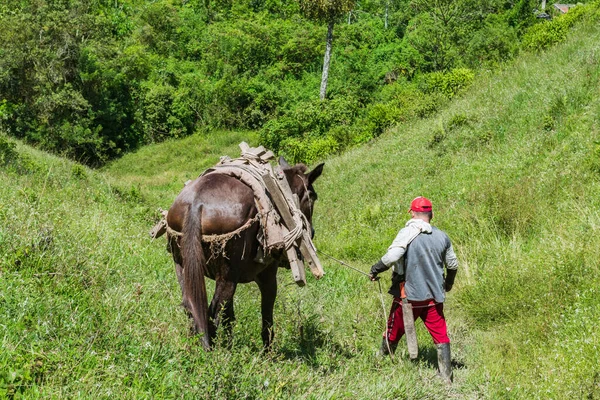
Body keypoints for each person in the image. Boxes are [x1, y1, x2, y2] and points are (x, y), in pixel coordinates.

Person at [369, 196, 458, 383]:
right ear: (430, 214)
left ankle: (379, 364)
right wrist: (448, 284)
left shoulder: (407, 232)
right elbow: (453, 265)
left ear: (413, 213)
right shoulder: (442, 236)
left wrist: (375, 269)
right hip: (433, 296)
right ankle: (446, 376)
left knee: (393, 330)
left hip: (407, 296)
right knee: (440, 334)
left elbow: (393, 255)